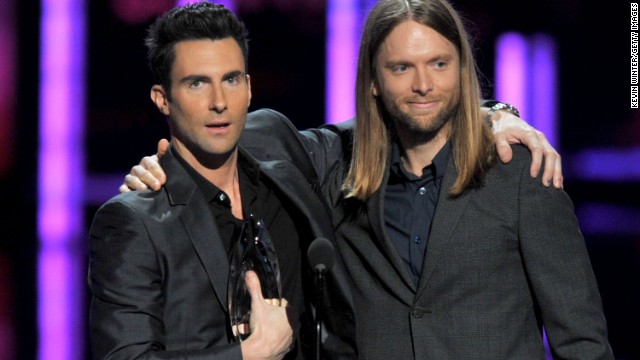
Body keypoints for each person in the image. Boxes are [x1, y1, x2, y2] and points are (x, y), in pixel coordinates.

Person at [120, 1, 590, 359]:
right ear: (374, 81)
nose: (423, 84)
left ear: (462, 71)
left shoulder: (522, 175)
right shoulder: (334, 169)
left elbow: (581, 338)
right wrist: (168, 164)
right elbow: (248, 133)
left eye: (440, 64)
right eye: (401, 68)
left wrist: (495, 113)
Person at [88, 3, 353, 359]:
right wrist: (250, 354)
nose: (219, 102)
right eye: (197, 83)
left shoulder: (284, 162)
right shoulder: (133, 222)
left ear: (248, 87)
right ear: (162, 99)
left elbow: (380, 130)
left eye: (230, 80)